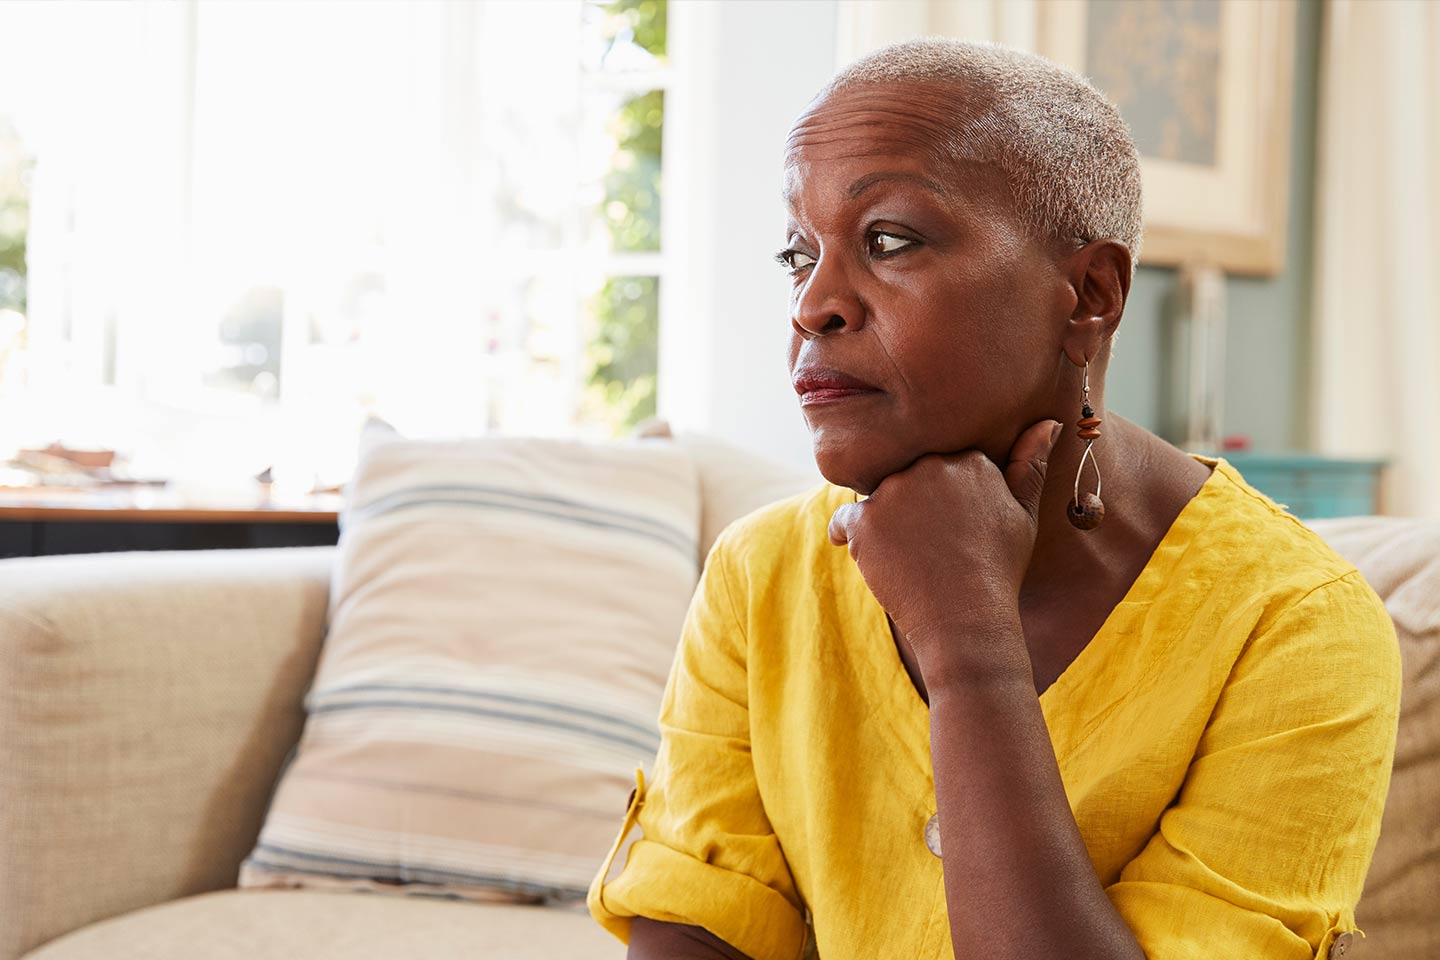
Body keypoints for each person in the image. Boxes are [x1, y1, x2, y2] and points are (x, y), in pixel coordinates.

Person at [587, 37, 1401, 960]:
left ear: (1088, 293)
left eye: (888, 240)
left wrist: (970, 650)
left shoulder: (1297, 627)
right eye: (796, 253)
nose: (813, 304)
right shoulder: (759, 575)